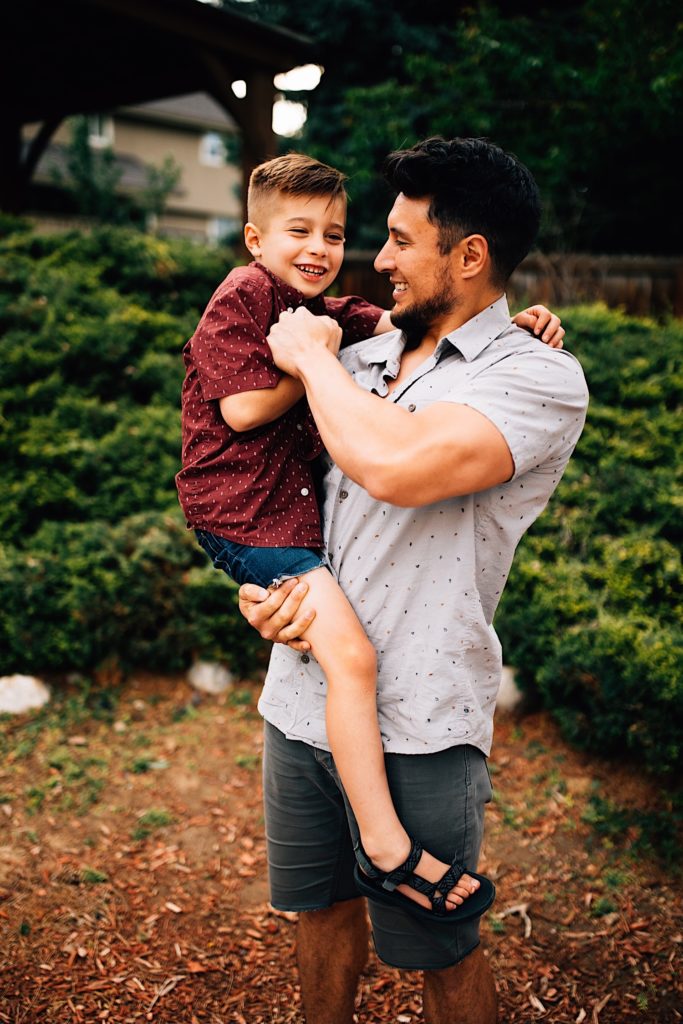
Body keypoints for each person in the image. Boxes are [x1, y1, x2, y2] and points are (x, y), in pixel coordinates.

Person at [238, 137, 589, 1024]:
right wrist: (262, 593)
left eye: (401, 240)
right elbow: (272, 492)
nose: (377, 259)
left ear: (469, 256)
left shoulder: (535, 377)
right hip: (298, 696)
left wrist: (311, 362)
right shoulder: (355, 355)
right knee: (318, 912)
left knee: (440, 948)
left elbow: (397, 466)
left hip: (422, 718)